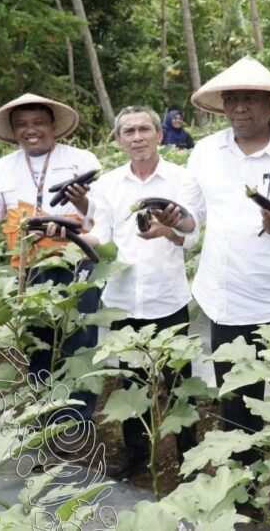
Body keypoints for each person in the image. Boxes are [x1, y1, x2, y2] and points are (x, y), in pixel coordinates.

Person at [168, 56, 270, 468]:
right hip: (228, 302)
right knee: (238, 403)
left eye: (250, 99)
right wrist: (174, 218)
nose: (239, 107)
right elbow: (191, 215)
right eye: (232, 98)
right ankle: (243, 490)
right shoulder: (205, 152)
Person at [81, 106, 199, 479]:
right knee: (132, 382)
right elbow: (102, 235)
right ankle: (135, 451)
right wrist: (73, 237)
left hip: (167, 298)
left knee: (178, 381)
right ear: (118, 140)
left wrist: (167, 231)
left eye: (144, 129)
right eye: (128, 131)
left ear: (159, 135)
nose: (137, 137)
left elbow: (191, 236)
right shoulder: (107, 186)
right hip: (123, 299)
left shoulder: (182, 180)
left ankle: (189, 454)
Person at [0, 93, 101, 428]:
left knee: (78, 343)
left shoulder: (81, 160)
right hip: (29, 268)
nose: (31, 130)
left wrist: (82, 204)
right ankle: (46, 415)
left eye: (38, 122)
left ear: (53, 125)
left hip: (76, 264)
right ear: (13, 130)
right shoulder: (4, 166)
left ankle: (76, 421)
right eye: (22, 125)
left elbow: (103, 215)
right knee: (39, 342)